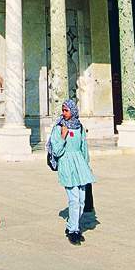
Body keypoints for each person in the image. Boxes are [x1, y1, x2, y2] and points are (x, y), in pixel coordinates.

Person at [46, 99, 94, 245]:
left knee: (82, 199)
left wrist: (87, 166)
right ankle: (74, 230)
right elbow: (57, 150)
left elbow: (83, 147)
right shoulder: (59, 127)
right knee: (73, 200)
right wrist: (62, 136)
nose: (64, 113)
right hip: (67, 164)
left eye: (66, 110)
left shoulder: (79, 127)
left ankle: (71, 226)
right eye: (63, 110)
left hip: (80, 165)